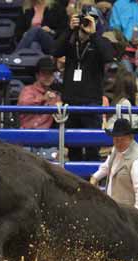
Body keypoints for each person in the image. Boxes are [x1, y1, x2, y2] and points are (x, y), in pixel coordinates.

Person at [53, 6, 114, 161]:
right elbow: (55, 51)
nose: (86, 24)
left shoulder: (101, 42)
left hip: (91, 103)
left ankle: (91, 181)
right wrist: (68, 30)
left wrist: (93, 34)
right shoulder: (71, 41)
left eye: (90, 20)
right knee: (73, 149)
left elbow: (107, 56)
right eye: (84, 20)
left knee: (93, 148)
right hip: (71, 102)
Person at [90, 118, 138, 210]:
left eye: (122, 139)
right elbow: (107, 166)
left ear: (131, 137)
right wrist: (95, 177)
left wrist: (137, 219)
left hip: (128, 213)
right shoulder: (116, 149)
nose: (118, 143)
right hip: (115, 209)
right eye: (116, 140)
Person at [18, 56, 62, 129]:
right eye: (44, 73)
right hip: (27, 132)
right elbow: (24, 104)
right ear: (37, 75)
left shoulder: (56, 95)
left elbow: (60, 112)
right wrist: (43, 98)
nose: (47, 77)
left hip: (48, 134)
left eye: (50, 73)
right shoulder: (28, 90)